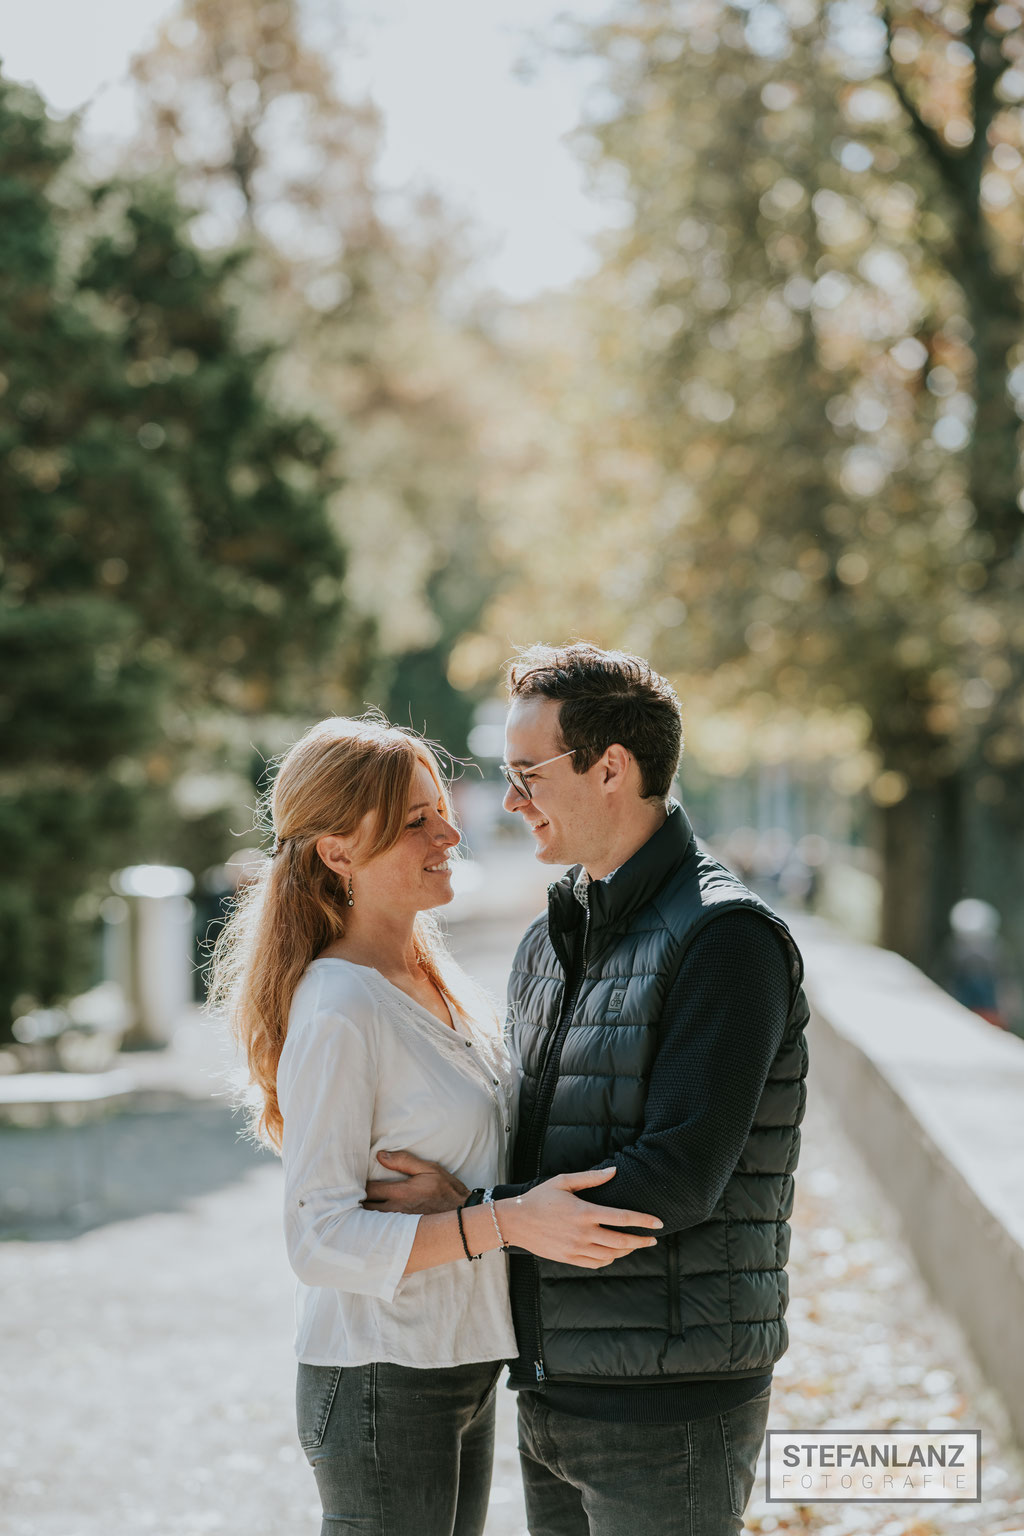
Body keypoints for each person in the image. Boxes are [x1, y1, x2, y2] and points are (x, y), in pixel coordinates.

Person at [368, 646, 811, 1536]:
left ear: (612, 768)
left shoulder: (725, 939)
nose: (509, 800)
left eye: (527, 773)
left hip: (670, 1406)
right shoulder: (550, 938)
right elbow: (533, 1135)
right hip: (554, 1387)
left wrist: (476, 1211)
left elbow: (675, 1178)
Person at [206, 713, 662, 1536]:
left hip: (458, 1359)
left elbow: (470, 1173)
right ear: (337, 852)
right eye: (416, 821)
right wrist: (505, 1220)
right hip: (382, 1371)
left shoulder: (433, 975)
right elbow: (317, 1241)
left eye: (440, 806)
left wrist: (475, 1206)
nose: (450, 830)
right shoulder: (341, 1004)